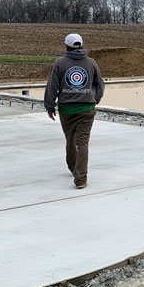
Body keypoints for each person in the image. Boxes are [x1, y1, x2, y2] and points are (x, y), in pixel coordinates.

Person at [44, 33, 105, 189]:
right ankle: (81, 179)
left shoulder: (59, 63)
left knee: (70, 139)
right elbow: (99, 84)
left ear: (67, 46)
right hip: (87, 109)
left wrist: (49, 106)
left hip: (66, 109)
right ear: (81, 45)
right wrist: (97, 97)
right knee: (82, 143)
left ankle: (73, 168)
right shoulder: (91, 63)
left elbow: (52, 86)